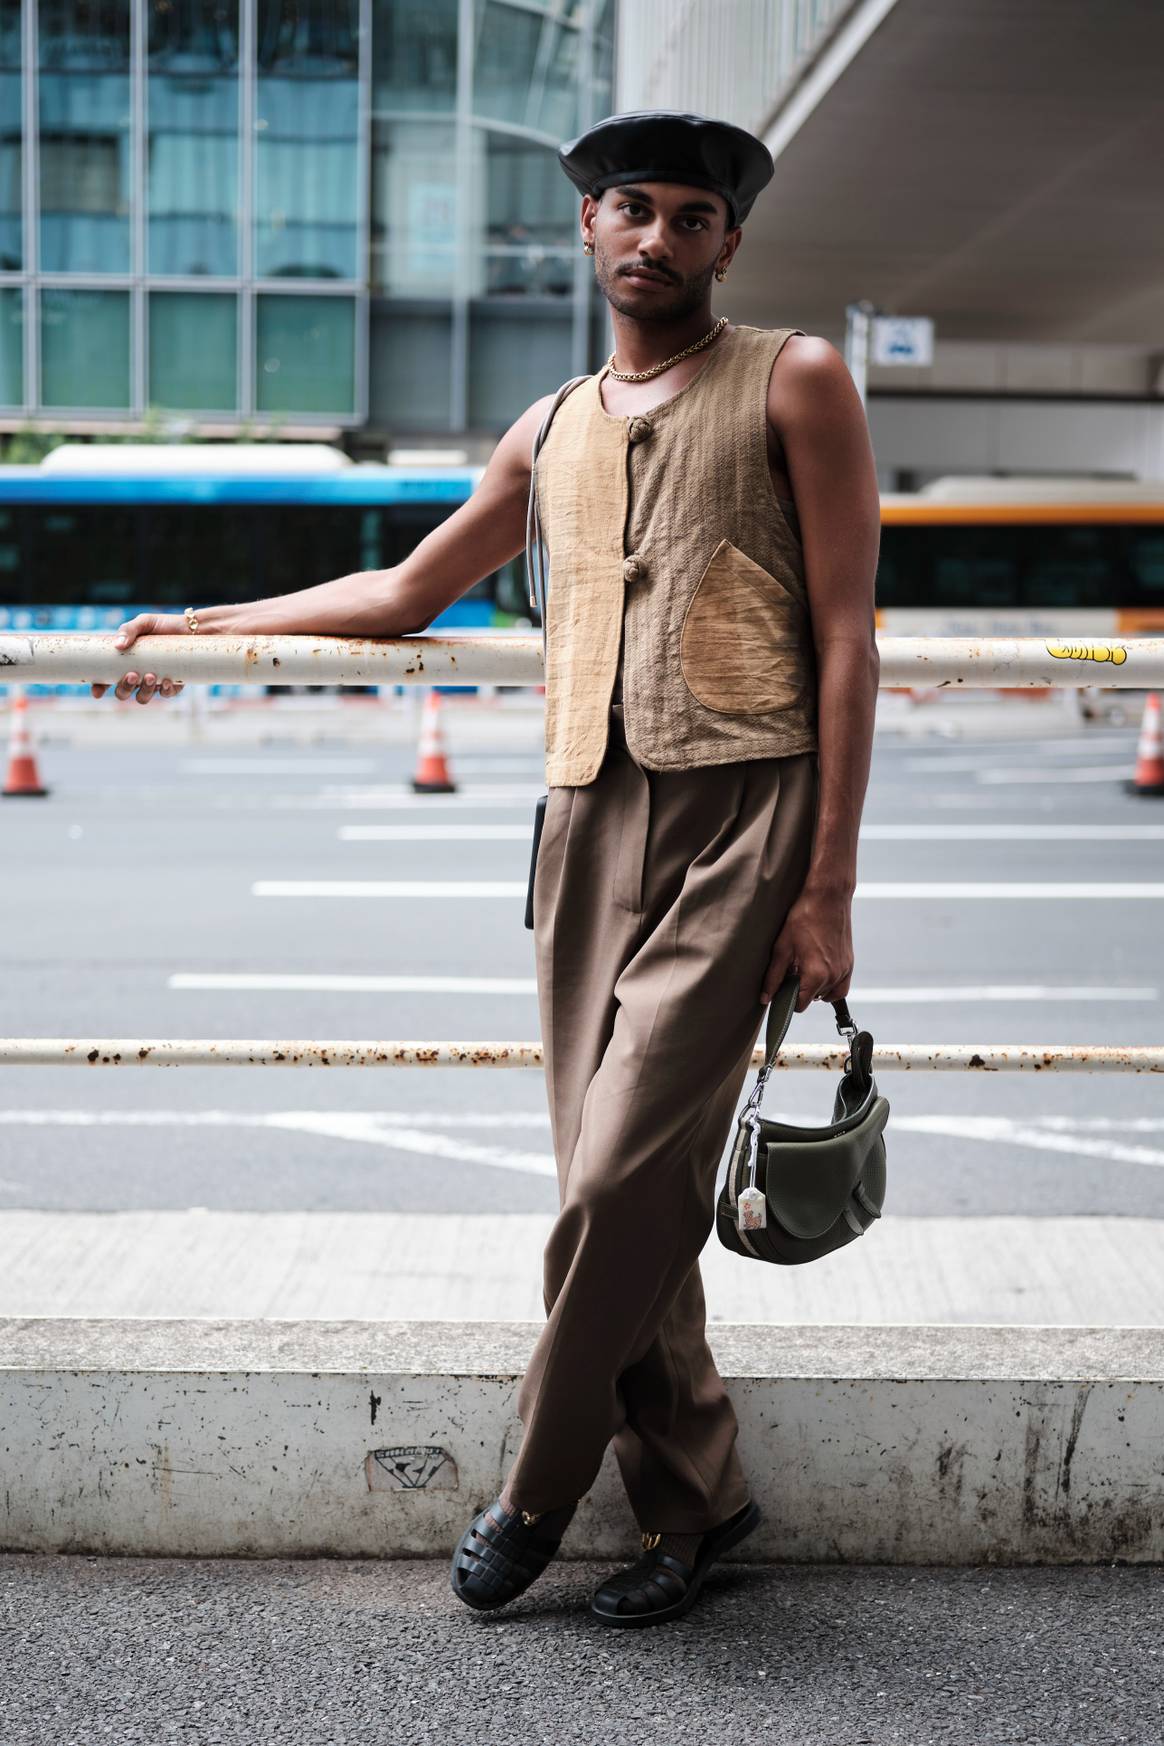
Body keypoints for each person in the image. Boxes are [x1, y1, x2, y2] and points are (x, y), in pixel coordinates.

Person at [98, 109, 881, 1628]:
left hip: (746, 817)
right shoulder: (550, 424)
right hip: (584, 825)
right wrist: (209, 627)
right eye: (631, 209)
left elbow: (849, 637)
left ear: (730, 243)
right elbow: (407, 588)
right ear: (586, 227)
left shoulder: (795, 378)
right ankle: (699, 1501)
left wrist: (829, 885)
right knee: (629, 1192)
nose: (659, 238)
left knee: (611, 1173)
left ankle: (535, 1480)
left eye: (694, 217)